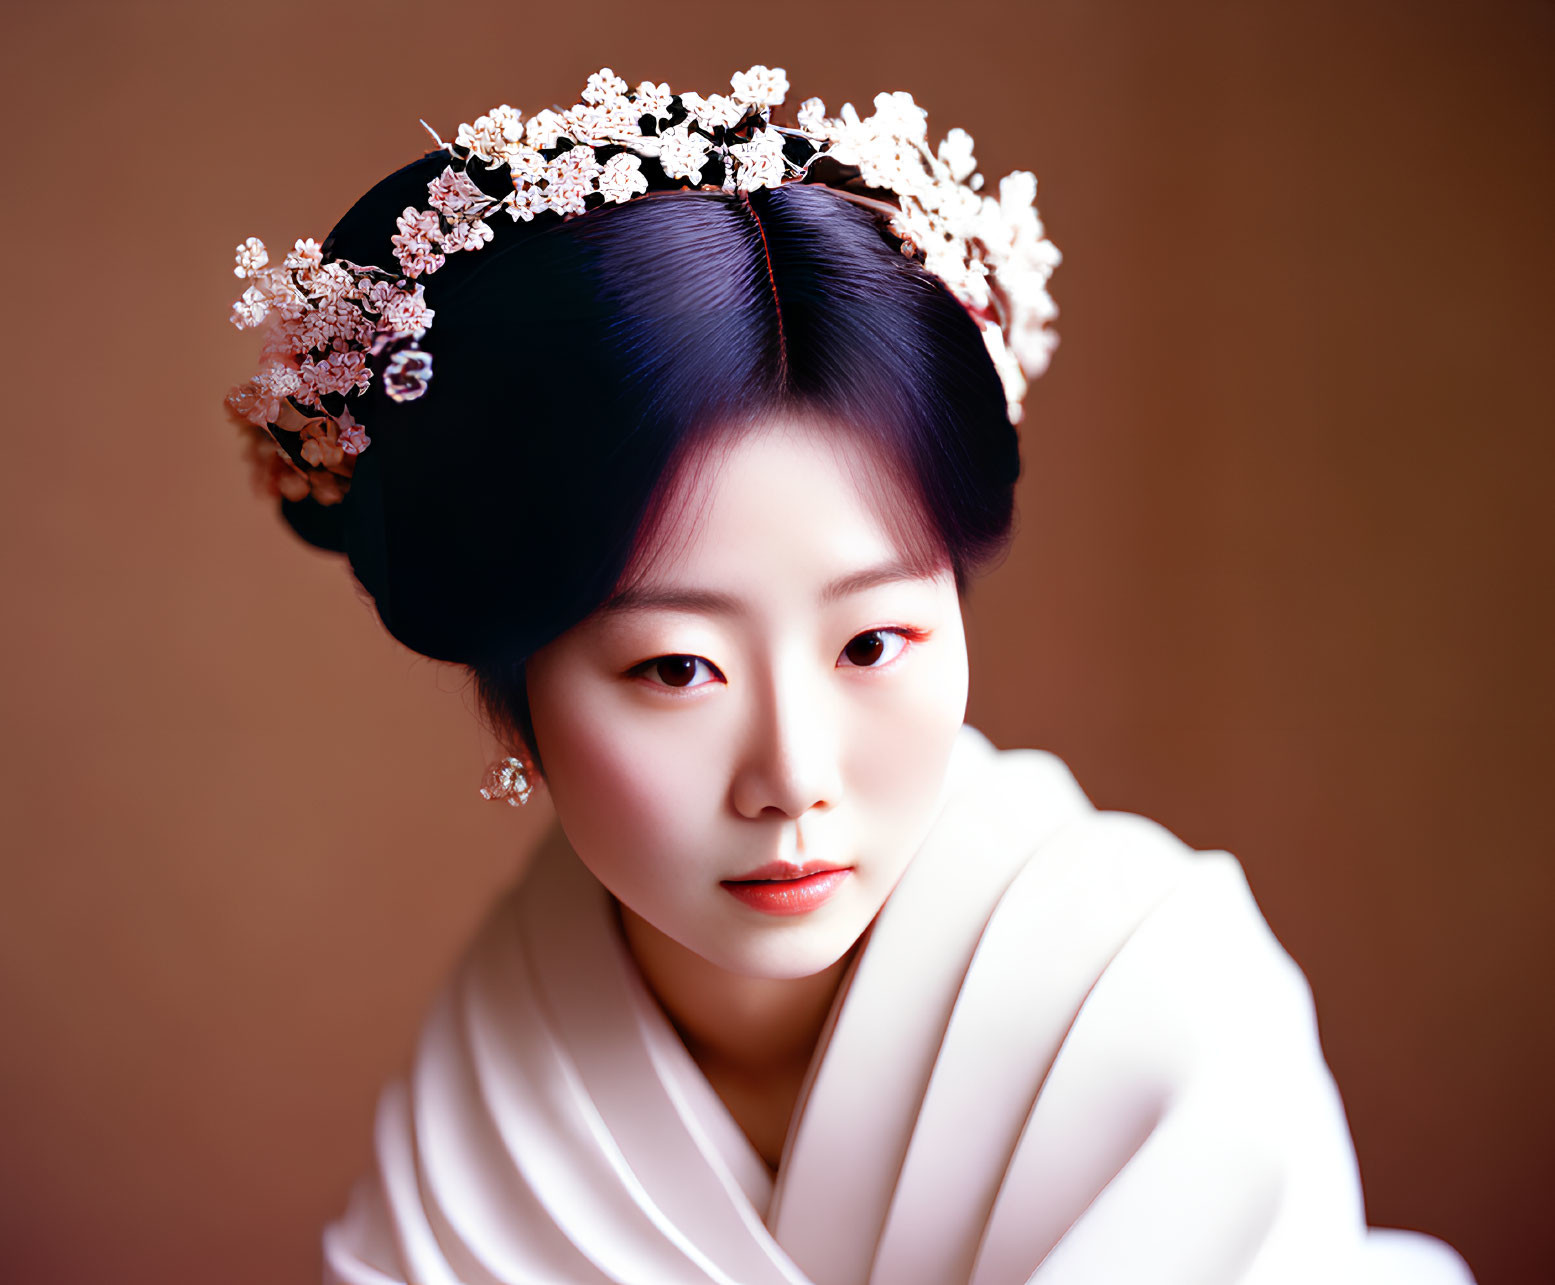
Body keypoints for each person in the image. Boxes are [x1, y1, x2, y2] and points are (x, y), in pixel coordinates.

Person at [223, 68, 1474, 1285]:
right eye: (675, 666)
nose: (793, 778)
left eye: (872, 644)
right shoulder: (498, 1084)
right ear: (519, 675)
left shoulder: (1155, 1002)